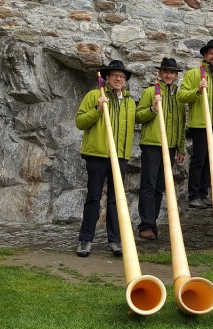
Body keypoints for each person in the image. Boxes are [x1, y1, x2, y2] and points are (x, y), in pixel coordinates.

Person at [74, 60, 137, 257]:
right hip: (98, 154)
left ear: (125, 80)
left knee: (115, 199)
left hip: (119, 156)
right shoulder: (95, 95)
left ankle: (114, 240)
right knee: (93, 197)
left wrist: (152, 109)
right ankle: (85, 240)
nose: (118, 79)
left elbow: (140, 119)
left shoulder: (129, 102)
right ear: (107, 78)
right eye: (115, 75)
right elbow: (80, 122)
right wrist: (97, 109)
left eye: (122, 76)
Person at [135, 58, 186, 240]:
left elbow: (181, 123)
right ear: (160, 73)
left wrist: (180, 148)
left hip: (170, 147)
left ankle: (153, 222)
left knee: (160, 187)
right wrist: (153, 109)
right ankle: (145, 225)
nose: (168, 75)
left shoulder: (179, 96)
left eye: (172, 72)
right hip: (152, 144)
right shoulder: (151, 92)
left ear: (176, 75)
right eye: (165, 71)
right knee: (148, 185)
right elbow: (138, 116)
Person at [178, 39, 213, 209]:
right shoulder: (194, 74)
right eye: (211, 54)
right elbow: (181, 96)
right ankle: (194, 195)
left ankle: (204, 194)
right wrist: (197, 90)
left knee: (212, 161)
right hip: (201, 124)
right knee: (199, 160)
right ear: (205, 55)